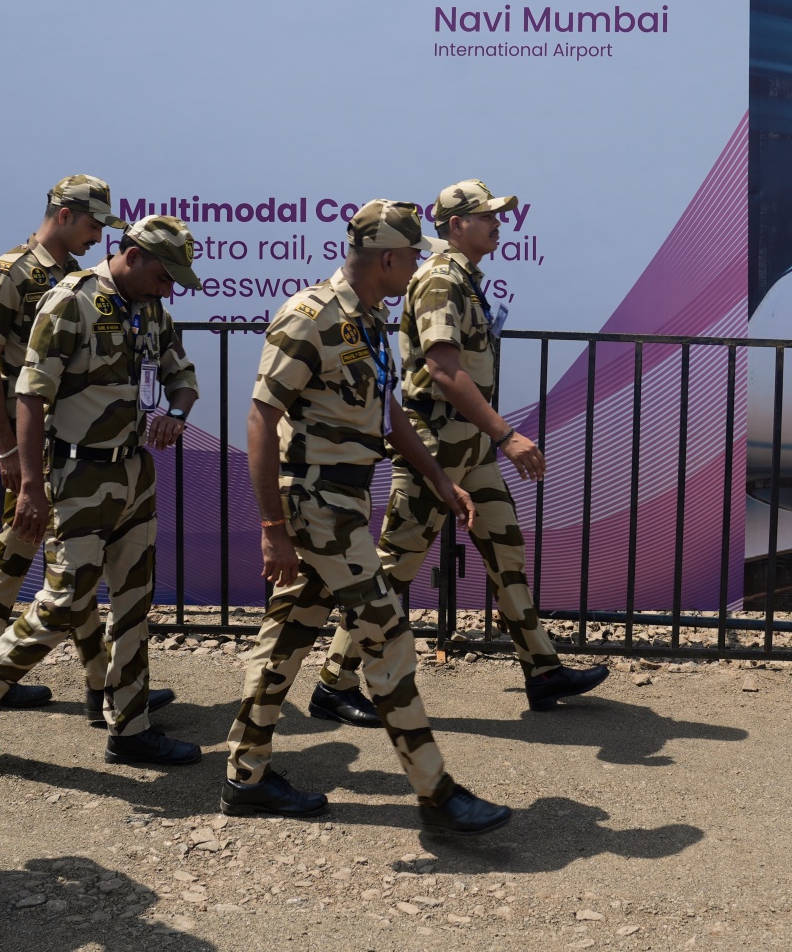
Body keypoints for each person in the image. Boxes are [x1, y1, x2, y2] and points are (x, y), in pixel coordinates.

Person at [220, 200, 512, 834]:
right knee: (388, 635)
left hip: (346, 500)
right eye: (413, 256)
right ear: (387, 258)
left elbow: (390, 417)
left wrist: (439, 480)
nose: (419, 265)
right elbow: (260, 419)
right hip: (315, 506)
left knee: (289, 637)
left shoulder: (372, 320)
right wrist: (272, 529)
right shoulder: (310, 318)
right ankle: (436, 794)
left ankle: (246, 775)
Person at [315, 179, 607, 724]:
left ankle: (542, 672)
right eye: (487, 215)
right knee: (395, 569)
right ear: (456, 226)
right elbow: (445, 372)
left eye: (499, 215)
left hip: (468, 447)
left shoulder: (465, 282)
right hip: (437, 444)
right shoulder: (439, 281)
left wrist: (489, 438)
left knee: (507, 555)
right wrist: (506, 434)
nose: (499, 223)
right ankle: (334, 681)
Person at [0, 215, 203, 768]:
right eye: (165, 276)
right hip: (75, 475)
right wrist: (32, 488)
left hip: (135, 474)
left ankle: (130, 729)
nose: (169, 289)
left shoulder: (151, 309)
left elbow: (182, 376)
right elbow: (31, 394)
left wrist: (174, 413)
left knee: (135, 605)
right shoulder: (72, 301)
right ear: (133, 255)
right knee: (67, 598)